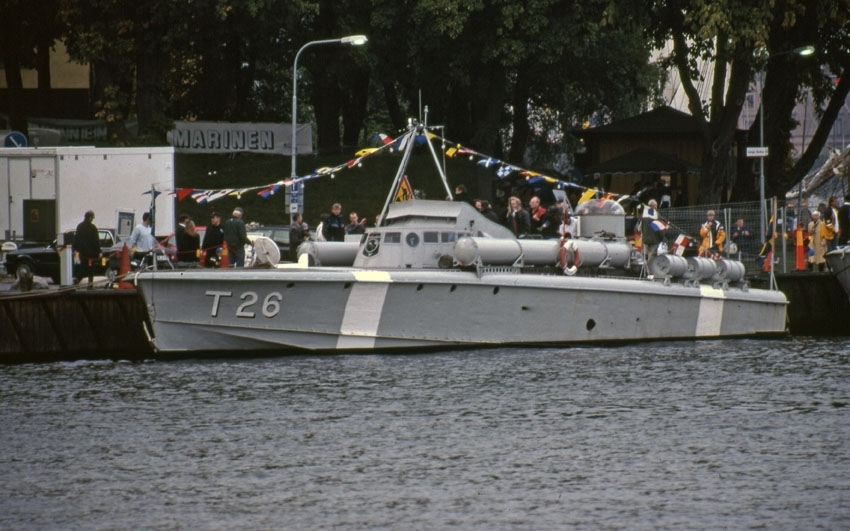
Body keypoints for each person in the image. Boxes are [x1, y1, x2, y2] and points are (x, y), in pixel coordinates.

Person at [73, 210, 102, 289]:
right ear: (90, 217)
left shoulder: (79, 226)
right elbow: (96, 241)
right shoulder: (93, 228)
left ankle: (78, 279)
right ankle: (89, 285)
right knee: (91, 269)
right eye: (92, 217)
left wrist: (75, 249)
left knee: (83, 267)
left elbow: (76, 239)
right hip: (91, 253)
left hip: (82, 252)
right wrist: (99, 251)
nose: (92, 219)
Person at [640, 199, 662, 267]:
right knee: (652, 256)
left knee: (644, 256)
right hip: (654, 239)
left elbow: (641, 227)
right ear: (654, 206)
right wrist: (662, 238)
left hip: (645, 239)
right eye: (656, 206)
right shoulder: (656, 215)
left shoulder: (644, 215)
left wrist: (644, 236)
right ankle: (650, 271)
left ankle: (645, 271)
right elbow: (659, 228)